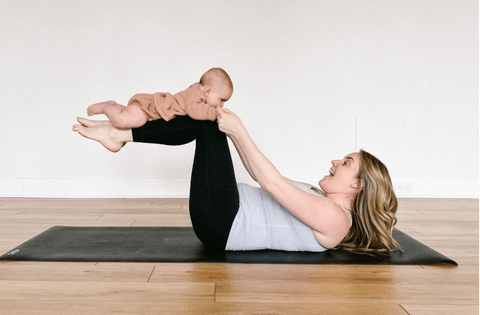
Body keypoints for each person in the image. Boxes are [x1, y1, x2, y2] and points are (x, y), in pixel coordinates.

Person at [72, 108, 400, 253]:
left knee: (206, 123)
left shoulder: (336, 219)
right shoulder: (318, 197)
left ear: (358, 186)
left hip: (224, 221)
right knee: (209, 120)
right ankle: (120, 134)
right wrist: (235, 134)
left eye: (345, 163)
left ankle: (119, 134)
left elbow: (270, 183)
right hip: (223, 210)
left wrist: (238, 129)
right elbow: (261, 174)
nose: (334, 162)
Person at [86, 68, 233, 130]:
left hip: (149, 109)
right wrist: (215, 114)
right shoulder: (193, 96)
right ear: (207, 91)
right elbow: (195, 111)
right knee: (123, 122)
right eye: (221, 99)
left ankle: (117, 107)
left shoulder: (198, 94)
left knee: (131, 119)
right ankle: (105, 107)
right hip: (149, 107)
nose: (222, 104)